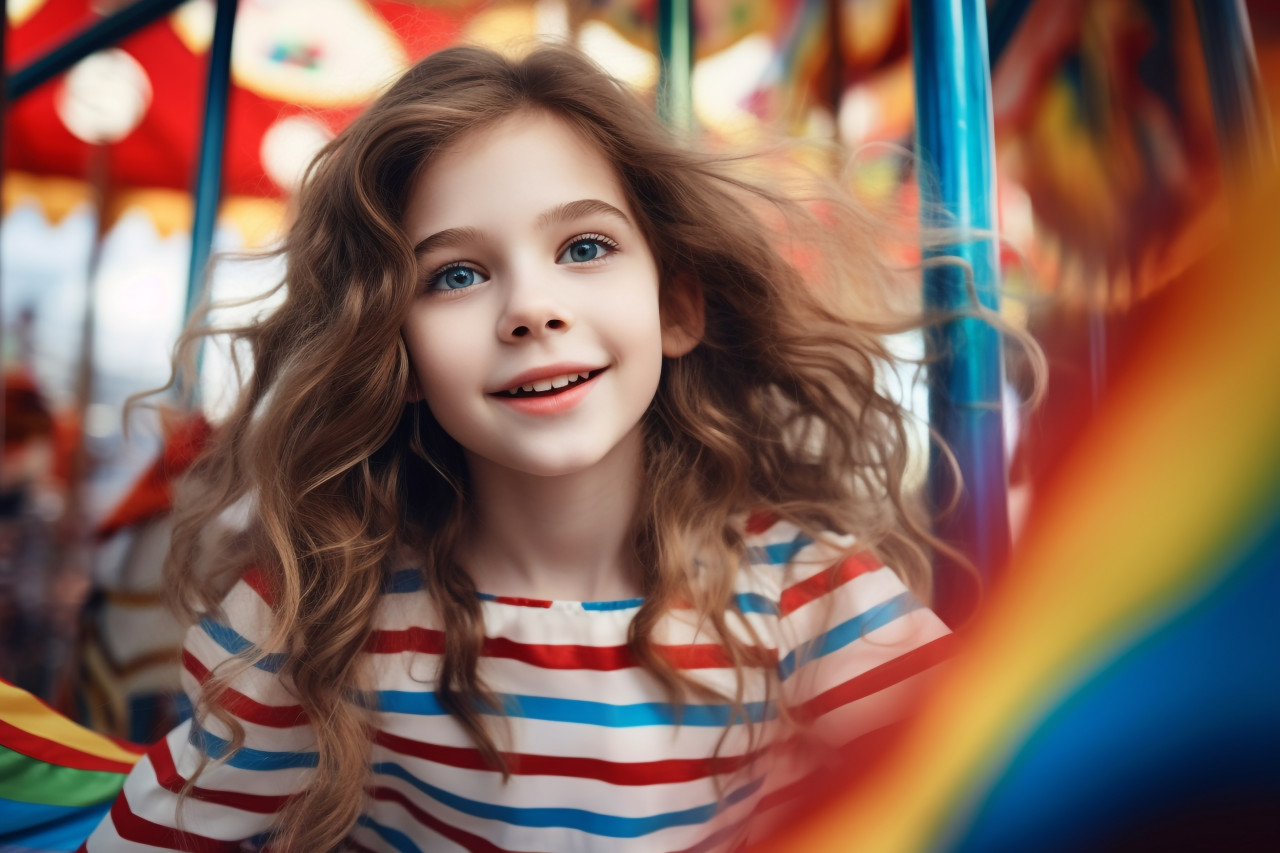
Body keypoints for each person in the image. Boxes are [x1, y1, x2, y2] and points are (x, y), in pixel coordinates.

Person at [80, 44, 953, 852]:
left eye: (584, 246)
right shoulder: (321, 622)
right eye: (456, 274)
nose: (532, 308)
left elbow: (995, 782)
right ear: (401, 355)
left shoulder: (809, 596)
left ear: (677, 309)